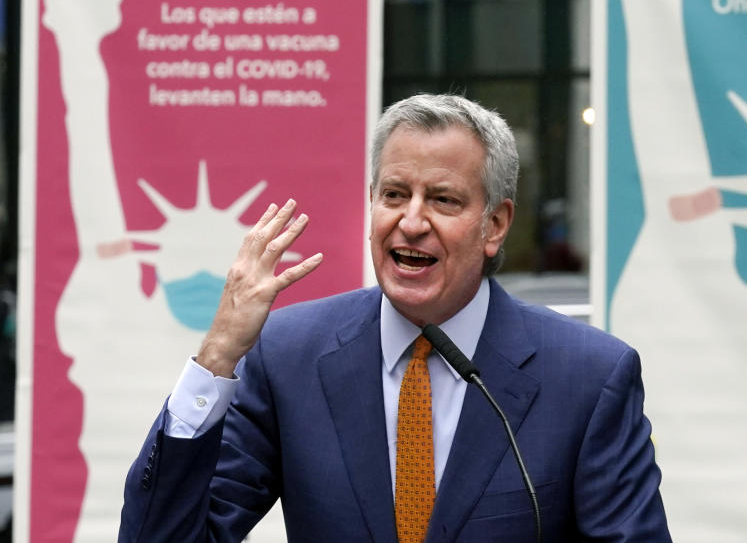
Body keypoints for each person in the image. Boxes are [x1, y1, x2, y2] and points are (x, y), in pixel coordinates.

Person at [118, 94, 671, 542]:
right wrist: (216, 356)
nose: (410, 221)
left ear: (495, 225)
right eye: (394, 194)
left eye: (444, 200)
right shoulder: (288, 356)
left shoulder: (589, 377)